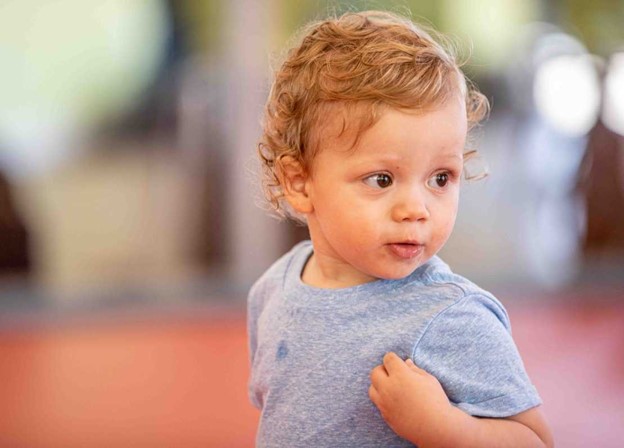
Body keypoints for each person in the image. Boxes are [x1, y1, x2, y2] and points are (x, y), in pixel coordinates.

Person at [247, 10, 553, 448]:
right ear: (300, 182)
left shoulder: (452, 316)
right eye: (383, 179)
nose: (417, 209)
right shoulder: (271, 292)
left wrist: (445, 428)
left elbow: (536, 441)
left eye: (440, 178)